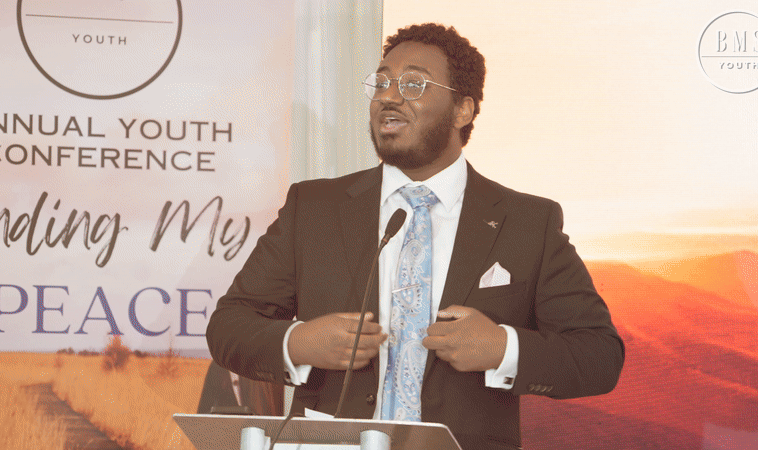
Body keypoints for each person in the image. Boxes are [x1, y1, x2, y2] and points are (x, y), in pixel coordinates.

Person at [206, 23, 624, 450]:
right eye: (381, 82)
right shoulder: (313, 208)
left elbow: (599, 356)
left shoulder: (528, 223)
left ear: (462, 110)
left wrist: (503, 348)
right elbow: (228, 328)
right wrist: (299, 343)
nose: (388, 96)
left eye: (413, 84)